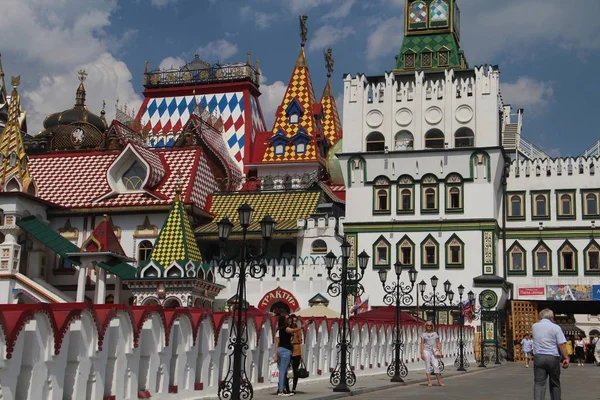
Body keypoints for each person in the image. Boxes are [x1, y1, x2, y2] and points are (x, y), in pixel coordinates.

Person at [531, 308, 568, 400]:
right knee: (554, 382)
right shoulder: (555, 327)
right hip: (552, 356)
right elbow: (561, 344)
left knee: (539, 383)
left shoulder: (534, 326)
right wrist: (566, 357)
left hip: (538, 357)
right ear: (552, 317)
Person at [273, 313, 308, 396]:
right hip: (285, 351)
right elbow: (293, 330)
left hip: (280, 350)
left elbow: (277, 343)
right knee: (283, 371)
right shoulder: (286, 329)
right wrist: (303, 326)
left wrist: (275, 354)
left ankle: (282, 389)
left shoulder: (279, 330)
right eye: (287, 319)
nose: (289, 320)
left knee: (283, 371)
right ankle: (281, 390)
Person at [420, 320, 445, 387]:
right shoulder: (423, 334)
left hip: (434, 351)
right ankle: (429, 381)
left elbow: (438, 342)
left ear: (432, 326)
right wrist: (422, 353)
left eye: (430, 325)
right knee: (428, 366)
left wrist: (440, 350)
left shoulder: (435, 334)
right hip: (426, 351)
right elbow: (422, 343)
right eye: (428, 325)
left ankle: (439, 381)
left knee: (436, 365)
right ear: (425, 326)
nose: (429, 326)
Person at [285, 315, 305, 394]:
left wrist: (301, 354)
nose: (294, 322)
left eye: (295, 320)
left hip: (296, 350)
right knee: (288, 370)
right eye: (293, 320)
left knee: (295, 370)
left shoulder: (298, 330)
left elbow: (300, 342)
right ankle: (287, 388)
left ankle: (294, 388)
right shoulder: (287, 329)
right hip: (288, 349)